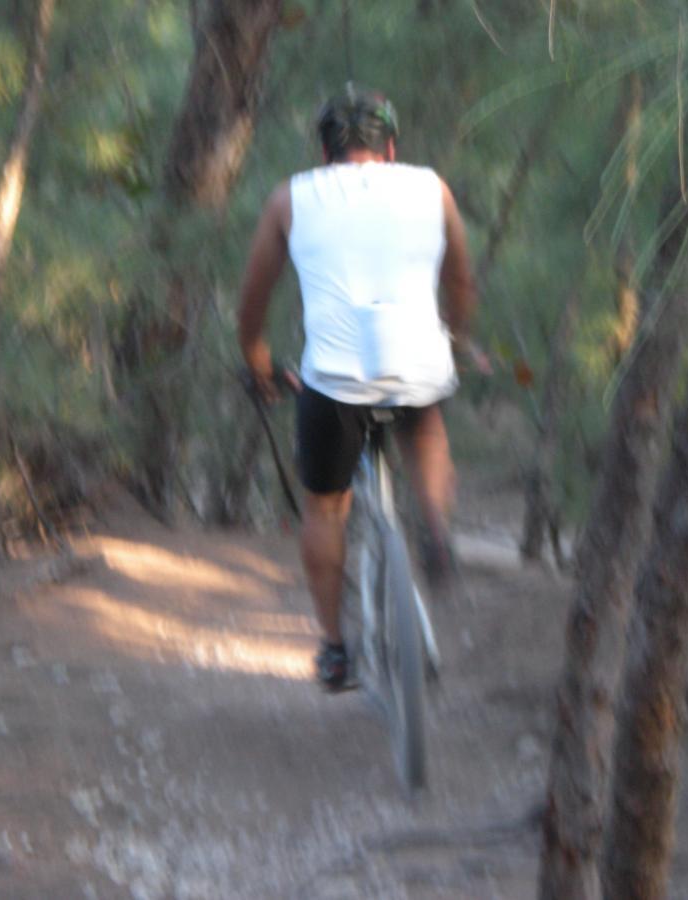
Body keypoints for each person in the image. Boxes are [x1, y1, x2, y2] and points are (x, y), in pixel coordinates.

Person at [236, 84, 478, 691]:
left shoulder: (289, 200)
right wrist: (456, 340)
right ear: (391, 147)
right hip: (417, 366)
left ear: (323, 153)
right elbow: (461, 280)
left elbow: (252, 304)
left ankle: (335, 648)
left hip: (336, 382)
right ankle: (435, 527)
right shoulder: (433, 189)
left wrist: (259, 361)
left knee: (323, 506)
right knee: (425, 423)